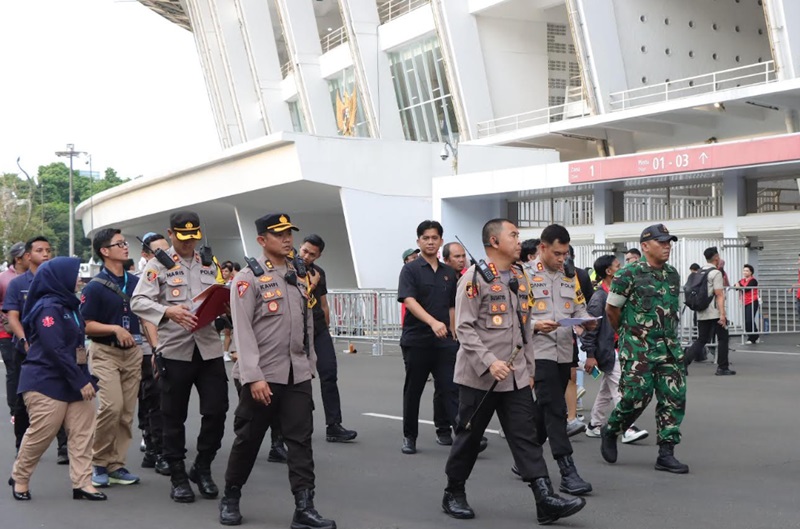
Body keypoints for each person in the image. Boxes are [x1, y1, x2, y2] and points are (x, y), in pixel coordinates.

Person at [441, 218, 585, 525]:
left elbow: (523, 326)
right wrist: (489, 362)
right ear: (494, 242)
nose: (520, 240)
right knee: (468, 436)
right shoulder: (473, 278)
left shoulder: (520, 276)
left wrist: (529, 368)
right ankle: (454, 491)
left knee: (525, 437)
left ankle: (544, 498)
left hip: (516, 374)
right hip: (480, 376)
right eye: (514, 235)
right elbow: (463, 328)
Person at [218, 213, 335, 529]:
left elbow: (307, 322)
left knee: (300, 441)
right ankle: (231, 496)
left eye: (289, 234)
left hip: (296, 374)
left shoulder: (299, 274)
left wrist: (309, 363)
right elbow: (242, 331)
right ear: (261, 240)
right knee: (248, 440)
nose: (287, 239)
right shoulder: (248, 279)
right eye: (279, 234)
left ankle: (304, 507)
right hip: (263, 376)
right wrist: (253, 376)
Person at [131, 211, 229, 503]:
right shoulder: (157, 265)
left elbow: (223, 294)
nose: (189, 244)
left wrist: (224, 307)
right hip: (175, 350)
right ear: (171, 233)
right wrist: (167, 311)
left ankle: (202, 466)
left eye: (193, 237)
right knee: (173, 416)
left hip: (209, 348)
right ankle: (177, 475)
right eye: (183, 238)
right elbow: (138, 301)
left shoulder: (209, 263)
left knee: (217, 410)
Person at [10, 257, 106, 501]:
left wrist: (85, 379)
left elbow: (76, 348)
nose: (79, 279)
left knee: (83, 433)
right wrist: (81, 381)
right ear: (59, 278)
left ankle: (82, 483)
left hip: (75, 379)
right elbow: (56, 350)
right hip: (46, 380)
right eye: (74, 274)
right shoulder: (48, 307)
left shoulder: (69, 305)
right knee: (42, 433)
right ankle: (20, 478)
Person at [601, 224, 689, 473]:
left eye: (669, 242)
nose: (667, 246)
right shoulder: (627, 274)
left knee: (673, 399)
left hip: (670, 348)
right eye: (661, 242)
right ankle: (612, 429)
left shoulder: (672, 274)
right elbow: (612, 310)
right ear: (645, 246)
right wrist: (631, 337)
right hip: (639, 349)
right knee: (636, 396)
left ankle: (666, 453)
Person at [524, 225, 595, 496]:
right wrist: (535, 325)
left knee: (544, 408)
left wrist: (586, 321)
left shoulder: (570, 275)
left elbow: (579, 306)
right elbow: (515, 316)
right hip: (538, 351)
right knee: (555, 408)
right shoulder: (524, 275)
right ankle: (568, 471)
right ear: (542, 248)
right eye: (557, 253)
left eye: (565, 253)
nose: (561, 259)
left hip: (564, 350)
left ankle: (525, 457)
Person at [80, 229, 143, 488]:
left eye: (125, 243)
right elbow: (85, 325)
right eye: (119, 244)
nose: (126, 247)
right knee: (112, 407)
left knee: (127, 412)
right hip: (105, 352)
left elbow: (147, 315)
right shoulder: (94, 287)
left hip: (134, 353)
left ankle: (116, 464)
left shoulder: (136, 282)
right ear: (105, 251)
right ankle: (98, 461)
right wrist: (114, 329)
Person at [3, 236, 68, 463]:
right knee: (22, 402)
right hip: (26, 352)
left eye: (49, 250)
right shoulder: (17, 284)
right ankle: (23, 445)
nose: (46, 254)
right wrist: (24, 341)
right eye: (40, 250)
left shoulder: (58, 283)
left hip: (55, 350)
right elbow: (12, 317)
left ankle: (64, 447)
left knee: (62, 394)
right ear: (28, 256)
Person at [397, 220, 459, 455]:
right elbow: (409, 301)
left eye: (434, 238)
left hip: (444, 342)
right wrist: (433, 322)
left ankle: (457, 433)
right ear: (418, 242)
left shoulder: (448, 273)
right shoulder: (410, 269)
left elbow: (451, 305)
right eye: (426, 238)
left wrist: (452, 330)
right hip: (417, 340)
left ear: (440, 241)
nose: (430, 241)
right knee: (414, 390)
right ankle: (409, 436)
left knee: (450, 388)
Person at [581, 255, 648, 444]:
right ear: (609, 272)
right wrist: (590, 355)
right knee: (621, 388)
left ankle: (594, 424)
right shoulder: (599, 298)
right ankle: (627, 427)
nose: (623, 268)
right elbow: (590, 330)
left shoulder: (619, 292)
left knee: (606, 390)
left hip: (620, 348)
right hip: (608, 351)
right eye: (618, 266)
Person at [299, 234, 357, 443]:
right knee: (298, 381)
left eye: (312, 254)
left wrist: (327, 327)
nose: (306, 256)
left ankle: (334, 425)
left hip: (319, 329)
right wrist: (311, 286)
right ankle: (294, 429)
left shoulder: (319, 273)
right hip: (297, 331)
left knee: (329, 374)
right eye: (304, 251)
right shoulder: (288, 269)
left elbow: (323, 304)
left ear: (319, 255)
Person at [136, 232, 170, 475]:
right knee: (151, 397)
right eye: (159, 252)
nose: (166, 256)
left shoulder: (173, 274)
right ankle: (154, 448)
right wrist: (154, 349)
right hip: (148, 347)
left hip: (169, 345)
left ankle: (158, 446)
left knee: (163, 400)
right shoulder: (142, 279)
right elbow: (145, 315)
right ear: (146, 255)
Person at [686, 247, 735, 375]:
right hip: (714, 312)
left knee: (701, 339)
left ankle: (683, 363)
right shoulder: (715, 273)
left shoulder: (700, 271)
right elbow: (719, 294)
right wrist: (722, 315)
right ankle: (722, 367)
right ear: (716, 257)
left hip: (702, 311)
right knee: (723, 338)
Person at [0, 242, 26, 417]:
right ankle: (15, 409)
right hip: (7, 333)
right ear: (18, 258)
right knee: (13, 371)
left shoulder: (37, 276)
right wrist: (6, 319)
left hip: (32, 333)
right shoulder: (3, 278)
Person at [737, 265, 759, 344]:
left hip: (753, 301)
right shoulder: (742, 280)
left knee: (749, 320)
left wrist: (740, 287)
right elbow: (736, 286)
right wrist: (739, 286)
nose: (745, 272)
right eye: (744, 270)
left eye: (747, 271)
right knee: (747, 320)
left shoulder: (753, 280)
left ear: (751, 272)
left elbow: (746, 289)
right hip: (745, 302)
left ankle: (752, 337)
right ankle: (754, 335)